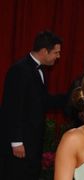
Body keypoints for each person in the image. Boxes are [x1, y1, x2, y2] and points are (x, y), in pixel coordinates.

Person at [1, 30, 65, 180]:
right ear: (44, 51)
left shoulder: (40, 70)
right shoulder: (19, 70)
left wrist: (70, 97)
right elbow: (12, 108)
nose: (58, 56)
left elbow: (43, 102)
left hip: (33, 143)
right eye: (56, 53)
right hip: (20, 144)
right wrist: (16, 142)